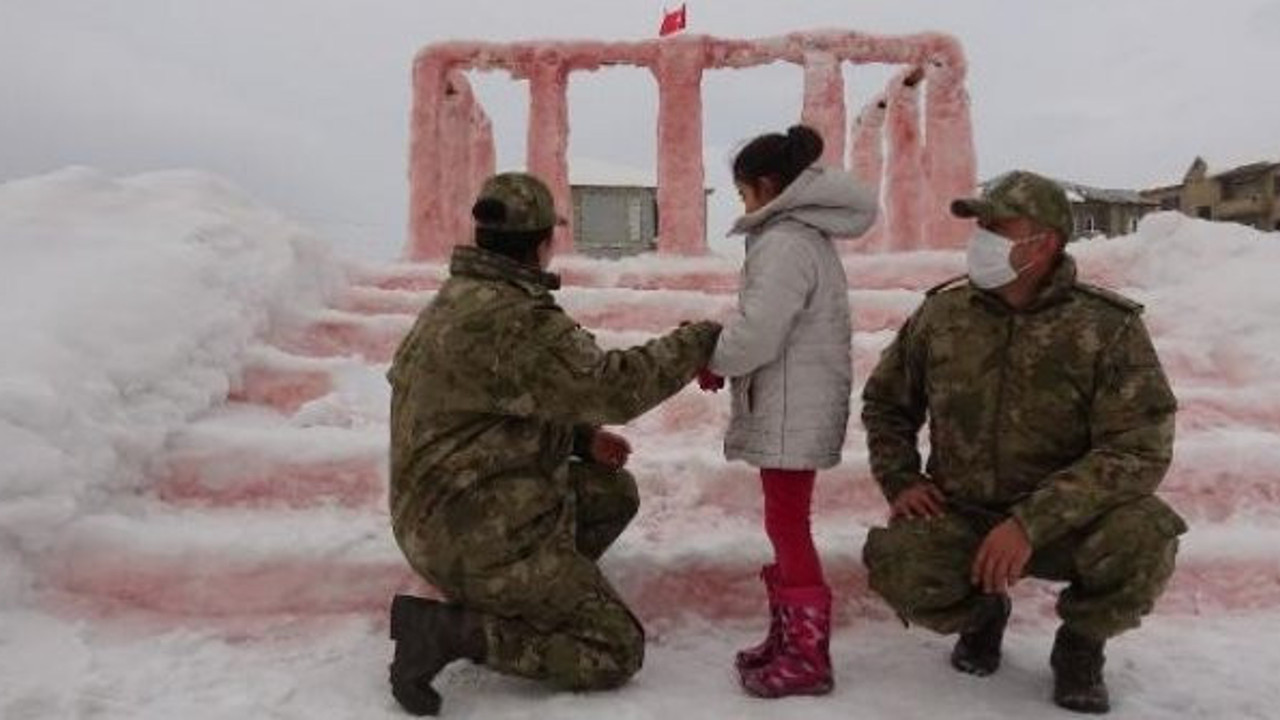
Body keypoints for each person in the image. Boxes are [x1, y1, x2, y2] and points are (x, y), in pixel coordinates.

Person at [386, 172, 721, 716]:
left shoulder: (460, 299)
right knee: (613, 648)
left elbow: (491, 405)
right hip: (472, 531)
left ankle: (513, 596)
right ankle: (454, 633)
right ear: (543, 241)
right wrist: (698, 340)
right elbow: (614, 386)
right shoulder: (515, 318)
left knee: (612, 493)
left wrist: (580, 442)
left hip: (441, 515)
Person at [860, 171, 1185, 714]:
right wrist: (901, 478)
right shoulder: (943, 315)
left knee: (1146, 535)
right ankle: (984, 614)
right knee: (900, 561)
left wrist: (1031, 523)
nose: (983, 237)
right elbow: (887, 403)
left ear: (1047, 242)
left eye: (999, 227)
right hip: (965, 513)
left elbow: (1139, 446)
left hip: (1066, 525)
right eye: (980, 226)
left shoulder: (1106, 328)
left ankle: (1081, 646)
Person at [698, 124, 877, 698]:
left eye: (744, 192)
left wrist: (717, 360)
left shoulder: (784, 243)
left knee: (787, 524)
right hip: (793, 400)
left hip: (790, 406)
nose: (743, 204)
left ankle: (806, 656)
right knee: (785, 522)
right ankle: (789, 638)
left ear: (767, 186)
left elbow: (758, 333)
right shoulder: (798, 237)